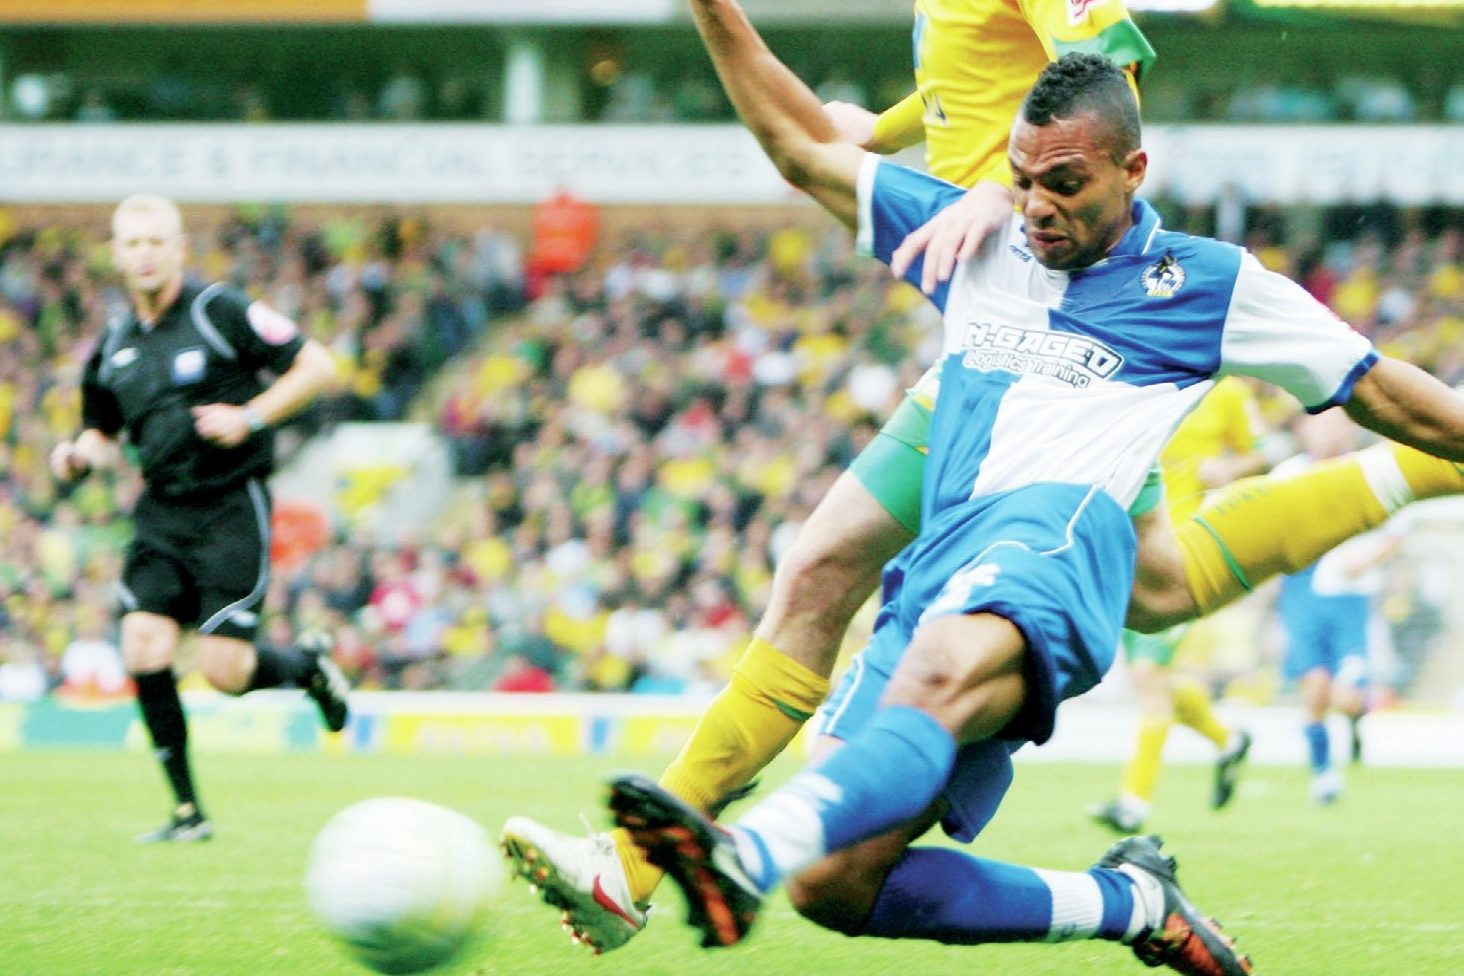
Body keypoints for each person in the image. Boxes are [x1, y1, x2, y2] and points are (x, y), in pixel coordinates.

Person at [500, 0, 1464, 952]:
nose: (1041, 207)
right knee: (835, 882)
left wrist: (992, 189)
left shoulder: (1206, 283)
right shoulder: (977, 248)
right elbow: (801, 149)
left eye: (1066, 185)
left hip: (1052, 551)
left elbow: (1386, 392)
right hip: (946, 564)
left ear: (1134, 171)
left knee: (933, 654)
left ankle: (738, 854)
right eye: (1023, 182)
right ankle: (1126, 902)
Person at [50, 194, 351, 843]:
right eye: (133, 244)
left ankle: (306, 668)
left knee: (226, 672)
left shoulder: (219, 310)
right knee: (143, 645)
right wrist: (77, 457)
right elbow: (102, 433)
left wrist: (251, 416)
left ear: (181, 249)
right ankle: (188, 813)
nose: (146, 254)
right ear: (117, 256)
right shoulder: (113, 344)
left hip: (229, 505)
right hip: (162, 510)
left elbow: (318, 365)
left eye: (157, 241)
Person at [1088, 376, 1267, 834]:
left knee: (1150, 679)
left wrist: (1229, 471)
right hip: (1127, 546)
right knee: (1154, 681)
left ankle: (1133, 803)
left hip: (1182, 550)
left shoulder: (1227, 392)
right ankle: (1228, 740)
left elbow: (1262, 453)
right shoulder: (1142, 376)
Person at [1274, 411, 1402, 804]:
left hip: (1350, 597)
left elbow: (1397, 531)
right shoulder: (1286, 476)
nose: (1330, 431)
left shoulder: (1365, 470)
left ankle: (1355, 721)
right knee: (1314, 689)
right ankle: (1324, 774)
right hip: (1302, 592)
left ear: (1350, 429)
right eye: (1322, 423)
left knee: (1346, 697)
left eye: (1338, 423)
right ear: (1305, 429)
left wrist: (1368, 558)